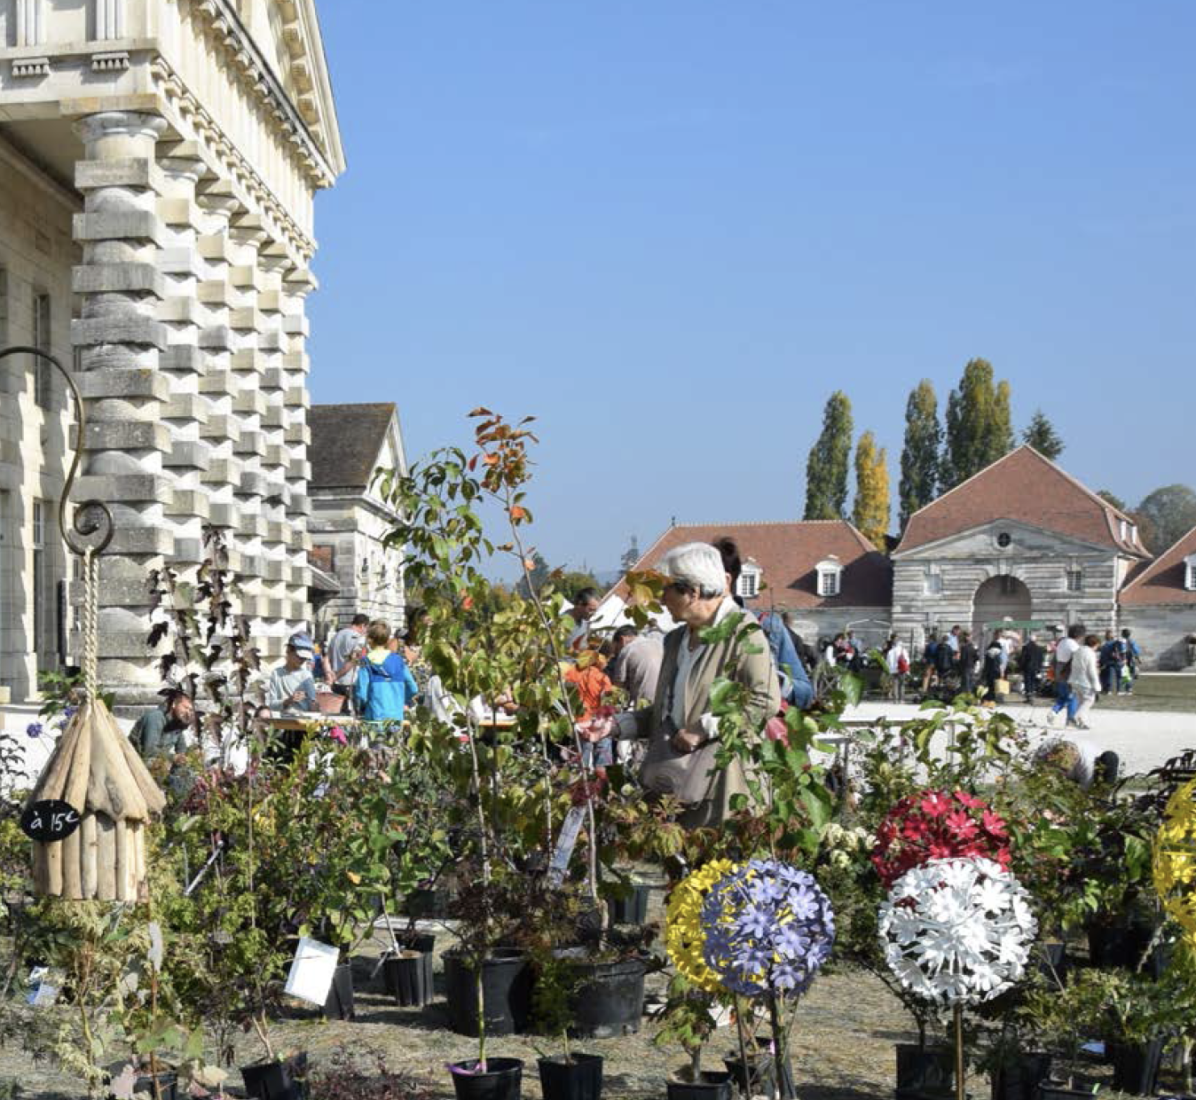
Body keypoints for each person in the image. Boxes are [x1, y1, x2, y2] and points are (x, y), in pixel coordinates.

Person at [609, 542, 780, 828]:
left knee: (718, 869)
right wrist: (616, 726)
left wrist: (702, 729)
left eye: (667, 589)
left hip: (723, 790)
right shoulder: (675, 641)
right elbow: (665, 713)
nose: (662, 599)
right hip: (676, 788)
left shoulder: (743, 633)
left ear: (693, 591)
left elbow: (764, 701)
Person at [355, 619, 419, 722]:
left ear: (369, 639)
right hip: (396, 717)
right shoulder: (399, 661)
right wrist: (401, 700)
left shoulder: (366, 661)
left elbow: (361, 693)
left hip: (374, 716)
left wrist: (363, 706)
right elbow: (413, 688)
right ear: (387, 638)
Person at [129, 689, 194, 759]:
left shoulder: (177, 722)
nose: (188, 712)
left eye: (190, 710)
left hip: (158, 761)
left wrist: (188, 755)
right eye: (185, 708)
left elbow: (181, 748)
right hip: (137, 760)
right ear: (174, 704)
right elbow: (149, 751)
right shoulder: (155, 718)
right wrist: (173, 758)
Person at [1034, 736, 1120, 789]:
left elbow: (1085, 790)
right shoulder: (1046, 748)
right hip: (1066, 778)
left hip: (1093, 775)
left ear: (1075, 760)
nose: (1064, 771)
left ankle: (1104, 797)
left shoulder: (1087, 764)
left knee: (1110, 757)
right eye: (1061, 768)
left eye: (1065, 769)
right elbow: (1035, 768)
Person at [609, 625, 663, 708]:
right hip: (664, 702)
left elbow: (618, 688)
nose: (617, 653)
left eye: (617, 648)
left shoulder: (627, 650)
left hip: (643, 705)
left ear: (622, 639)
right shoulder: (658, 644)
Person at [266, 632, 318, 713]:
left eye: (305, 658)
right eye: (299, 657)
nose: (302, 660)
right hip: (282, 721)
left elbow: (313, 704)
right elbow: (272, 705)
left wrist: (316, 704)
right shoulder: (276, 674)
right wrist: (288, 701)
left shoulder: (306, 676)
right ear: (289, 651)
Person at [1047, 624, 1086, 727]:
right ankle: (1070, 719)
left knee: (1063, 697)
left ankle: (1054, 711)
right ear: (1079, 635)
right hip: (1069, 673)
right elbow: (1078, 660)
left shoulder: (1062, 642)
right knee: (1073, 696)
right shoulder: (1073, 645)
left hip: (1059, 672)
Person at [326, 614, 369, 707]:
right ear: (363, 626)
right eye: (366, 629)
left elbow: (325, 658)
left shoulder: (336, 635)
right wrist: (336, 676)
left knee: (338, 716)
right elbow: (352, 661)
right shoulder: (360, 639)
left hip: (336, 684)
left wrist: (329, 675)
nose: (365, 632)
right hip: (351, 683)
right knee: (353, 716)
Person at [1070, 634, 1102, 730]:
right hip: (1085, 680)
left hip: (1074, 679)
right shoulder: (1090, 653)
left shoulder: (1078, 651)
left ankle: (1082, 722)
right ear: (1095, 644)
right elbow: (1091, 670)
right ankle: (1075, 717)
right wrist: (1096, 685)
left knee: (1081, 702)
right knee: (1089, 700)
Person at [566, 588, 600, 653]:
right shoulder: (561, 622)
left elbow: (580, 648)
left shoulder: (585, 625)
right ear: (580, 604)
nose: (593, 614)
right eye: (591, 610)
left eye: (595, 611)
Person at [885, 634, 910, 703]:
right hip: (901, 669)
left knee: (895, 684)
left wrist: (889, 669)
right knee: (901, 684)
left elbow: (887, 662)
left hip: (893, 669)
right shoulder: (903, 650)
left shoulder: (890, 651)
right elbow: (907, 660)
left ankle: (895, 699)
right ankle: (901, 699)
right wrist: (907, 669)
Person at [1020, 634, 1045, 702]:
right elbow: (1041, 659)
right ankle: (1032, 694)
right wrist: (1039, 668)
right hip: (1036, 667)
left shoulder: (1025, 647)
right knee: (1033, 681)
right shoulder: (1039, 648)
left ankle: (1028, 696)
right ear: (1035, 640)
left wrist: (1021, 668)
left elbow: (1023, 658)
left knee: (1027, 681)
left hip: (1027, 667)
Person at [1099, 630, 1123, 696]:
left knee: (1110, 677)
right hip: (1113, 661)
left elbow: (1102, 654)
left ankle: (1111, 690)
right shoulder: (1116, 643)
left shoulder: (1105, 644)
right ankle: (1117, 690)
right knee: (1116, 677)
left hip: (1109, 662)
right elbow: (1122, 651)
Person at [1120, 628, 1140, 695]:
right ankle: (1128, 689)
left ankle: (1128, 689)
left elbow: (1121, 651)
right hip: (1131, 659)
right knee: (1129, 674)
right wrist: (1138, 659)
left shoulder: (1122, 642)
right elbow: (1136, 651)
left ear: (1123, 634)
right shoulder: (1132, 641)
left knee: (1126, 674)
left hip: (1126, 659)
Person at [958, 630, 979, 695]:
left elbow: (962, 659)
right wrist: (973, 662)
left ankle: (967, 695)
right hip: (971, 665)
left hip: (966, 666)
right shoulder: (973, 646)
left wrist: (960, 666)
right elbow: (977, 657)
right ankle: (970, 695)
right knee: (970, 681)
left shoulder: (964, 647)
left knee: (966, 682)